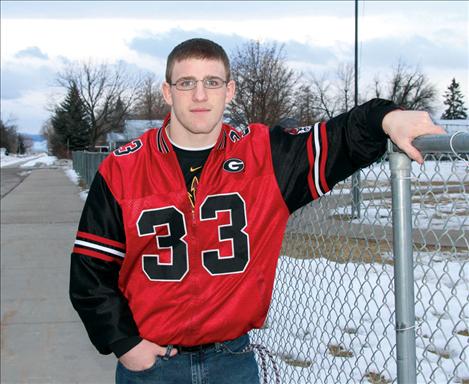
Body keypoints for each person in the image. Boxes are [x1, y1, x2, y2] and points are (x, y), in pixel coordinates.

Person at [69, 38, 445, 384]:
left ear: (229, 90)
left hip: (233, 361)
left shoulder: (265, 155)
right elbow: (90, 273)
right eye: (186, 83)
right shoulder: (122, 169)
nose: (200, 94)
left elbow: (341, 137)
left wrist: (386, 117)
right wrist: (124, 343)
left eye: (213, 82)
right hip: (152, 365)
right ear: (167, 92)